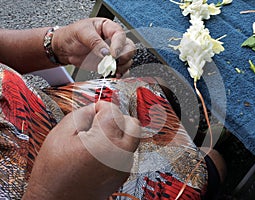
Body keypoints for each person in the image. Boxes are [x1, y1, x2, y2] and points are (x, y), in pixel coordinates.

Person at [0, 17, 226, 199]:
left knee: (156, 90)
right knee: (212, 162)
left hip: (51, 109)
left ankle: (181, 130)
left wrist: (56, 45)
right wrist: (49, 193)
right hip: (72, 187)